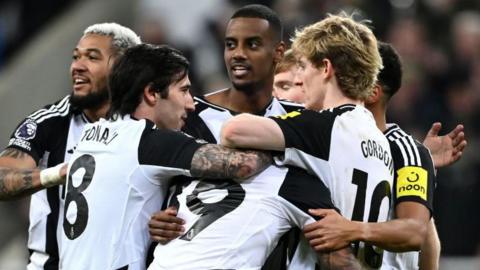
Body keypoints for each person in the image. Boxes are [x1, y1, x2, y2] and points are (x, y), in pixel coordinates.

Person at [60, 43, 272, 270]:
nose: (191, 104)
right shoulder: (148, 141)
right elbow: (244, 165)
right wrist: (289, 136)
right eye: (183, 90)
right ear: (151, 93)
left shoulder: (88, 136)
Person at [220, 13, 394, 269]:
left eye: (303, 66)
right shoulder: (379, 139)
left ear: (325, 68)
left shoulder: (325, 126)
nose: (300, 79)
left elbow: (232, 131)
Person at [148, 5, 312, 270]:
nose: (238, 54)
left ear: (278, 53)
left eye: (252, 44)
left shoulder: (302, 122)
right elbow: (158, 186)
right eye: (231, 45)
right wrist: (155, 219)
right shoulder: (189, 116)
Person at [300, 42, 467, 269]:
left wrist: (350, 229)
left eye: (345, 78)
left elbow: (414, 232)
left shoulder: (405, 152)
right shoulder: (325, 137)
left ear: (371, 92)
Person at [0, 23, 141, 269]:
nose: (77, 66)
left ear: (123, 68)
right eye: (76, 57)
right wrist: (56, 174)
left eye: (92, 57)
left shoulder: (149, 124)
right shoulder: (50, 122)